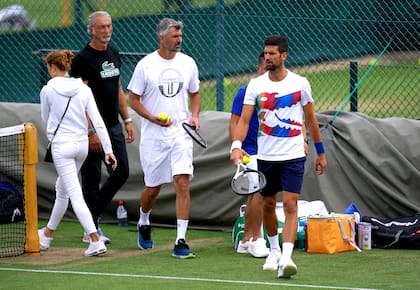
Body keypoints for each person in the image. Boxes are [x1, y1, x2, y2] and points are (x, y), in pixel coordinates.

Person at [230, 35, 327, 278]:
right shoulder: (255, 85)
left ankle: (286, 257)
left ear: (284, 56)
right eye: (266, 53)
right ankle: (273, 250)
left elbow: (311, 120)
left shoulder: (300, 83)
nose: (268, 57)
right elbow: (244, 120)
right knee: (269, 204)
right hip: (266, 155)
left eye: (273, 54)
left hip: (293, 154)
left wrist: (320, 151)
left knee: (292, 204)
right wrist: (236, 145)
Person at [127, 18, 201, 259]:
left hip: (181, 134)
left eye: (180, 36)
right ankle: (144, 220)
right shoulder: (145, 65)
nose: (179, 40)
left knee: (182, 182)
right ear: (161, 38)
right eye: (174, 36)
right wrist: (152, 117)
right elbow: (133, 99)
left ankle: (180, 240)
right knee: (153, 188)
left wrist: (195, 116)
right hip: (154, 137)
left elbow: (195, 93)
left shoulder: (189, 63)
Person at [38, 50, 117, 256]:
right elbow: (98, 121)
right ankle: (46, 235)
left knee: (74, 193)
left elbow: (46, 119)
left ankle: (94, 239)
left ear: (52, 67)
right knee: (62, 190)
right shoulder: (83, 88)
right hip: (82, 147)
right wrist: (108, 150)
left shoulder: (47, 90)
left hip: (62, 147)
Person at [70, 11, 135, 244]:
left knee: (122, 171)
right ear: (91, 30)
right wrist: (91, 131)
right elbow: (79, 99)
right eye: (101, 27)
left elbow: (117, 87)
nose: (106, 30)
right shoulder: (82, 60)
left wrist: (127, 120)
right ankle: (91, 229)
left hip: (113, 125)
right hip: (90, 129)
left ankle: (91, 215)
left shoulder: (114, 52)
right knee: (92, 177)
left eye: (109, 26)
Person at [229, 52, 269, 258]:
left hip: (271, 150)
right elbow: (234, 123)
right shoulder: (244, 92)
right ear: (258, 68)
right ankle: (256, 239)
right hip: (249, 152)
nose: (266, 73)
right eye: (264, 68)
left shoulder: (277, 93)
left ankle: (245, 241)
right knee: (258, 193)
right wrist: (235, 148)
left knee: (260, 193)